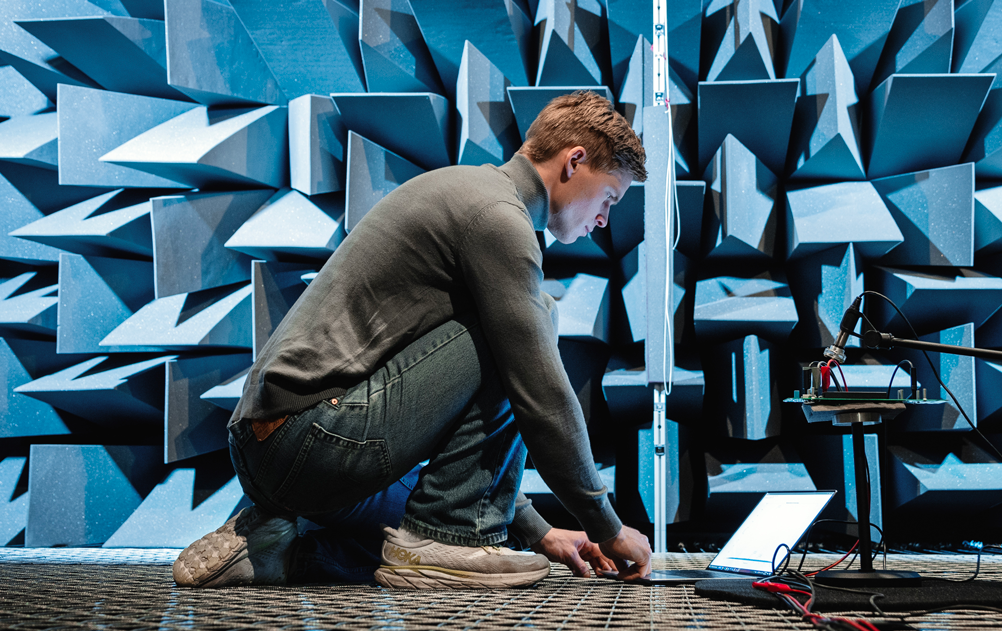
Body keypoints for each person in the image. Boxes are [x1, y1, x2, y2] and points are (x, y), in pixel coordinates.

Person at [173, 91, 654, 590]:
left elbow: (458, 429)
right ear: (574, 161)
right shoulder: (498, 218)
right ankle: (451, 540)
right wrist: (607, 525)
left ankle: (275, 549)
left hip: (276, 451)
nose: (603, 220)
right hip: (312, 441)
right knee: (534, 328)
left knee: (403, 534)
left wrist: (539, 531)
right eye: (609, 198)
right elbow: (541, 394)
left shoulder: (469, 190)